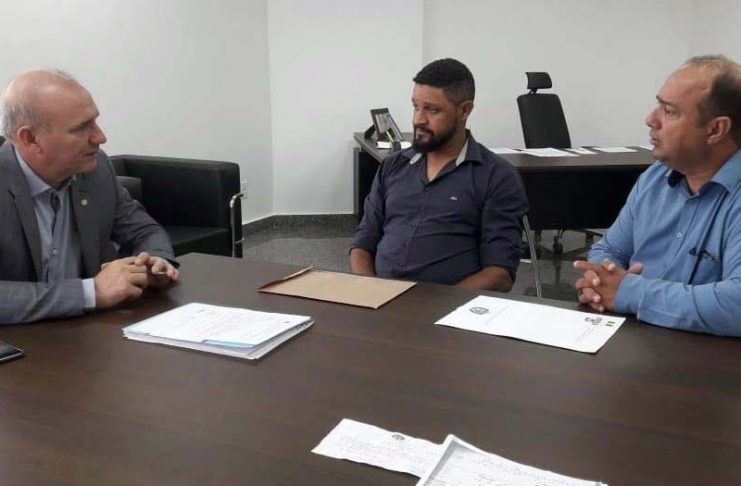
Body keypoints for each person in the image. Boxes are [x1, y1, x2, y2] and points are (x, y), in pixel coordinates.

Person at [574, 55, 741, 336]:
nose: (650, 120)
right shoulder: (655, 178)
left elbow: (737, 304)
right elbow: (610, 250)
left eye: (669, 111)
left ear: (715, 130)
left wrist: (630, 292)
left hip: (705, 356)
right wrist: (601, 280)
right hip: (635, 340)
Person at [0, 69, 179, 324]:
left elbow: (144, 230)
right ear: (30, 139)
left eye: (94, 121)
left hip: (85, 333)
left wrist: (154, 261)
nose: (100, 137)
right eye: (82, 128)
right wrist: (90, 293)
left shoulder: (95, 169)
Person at [350, 58, 528, 291]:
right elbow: (363, 241)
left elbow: (500, 273)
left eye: (432, 110)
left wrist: (435, 305)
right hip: (380, 299)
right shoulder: (394, 166)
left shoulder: (496, 176)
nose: (418, 119)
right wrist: (368, 289)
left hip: (449, 306)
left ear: (464, 111)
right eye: (416, 107)